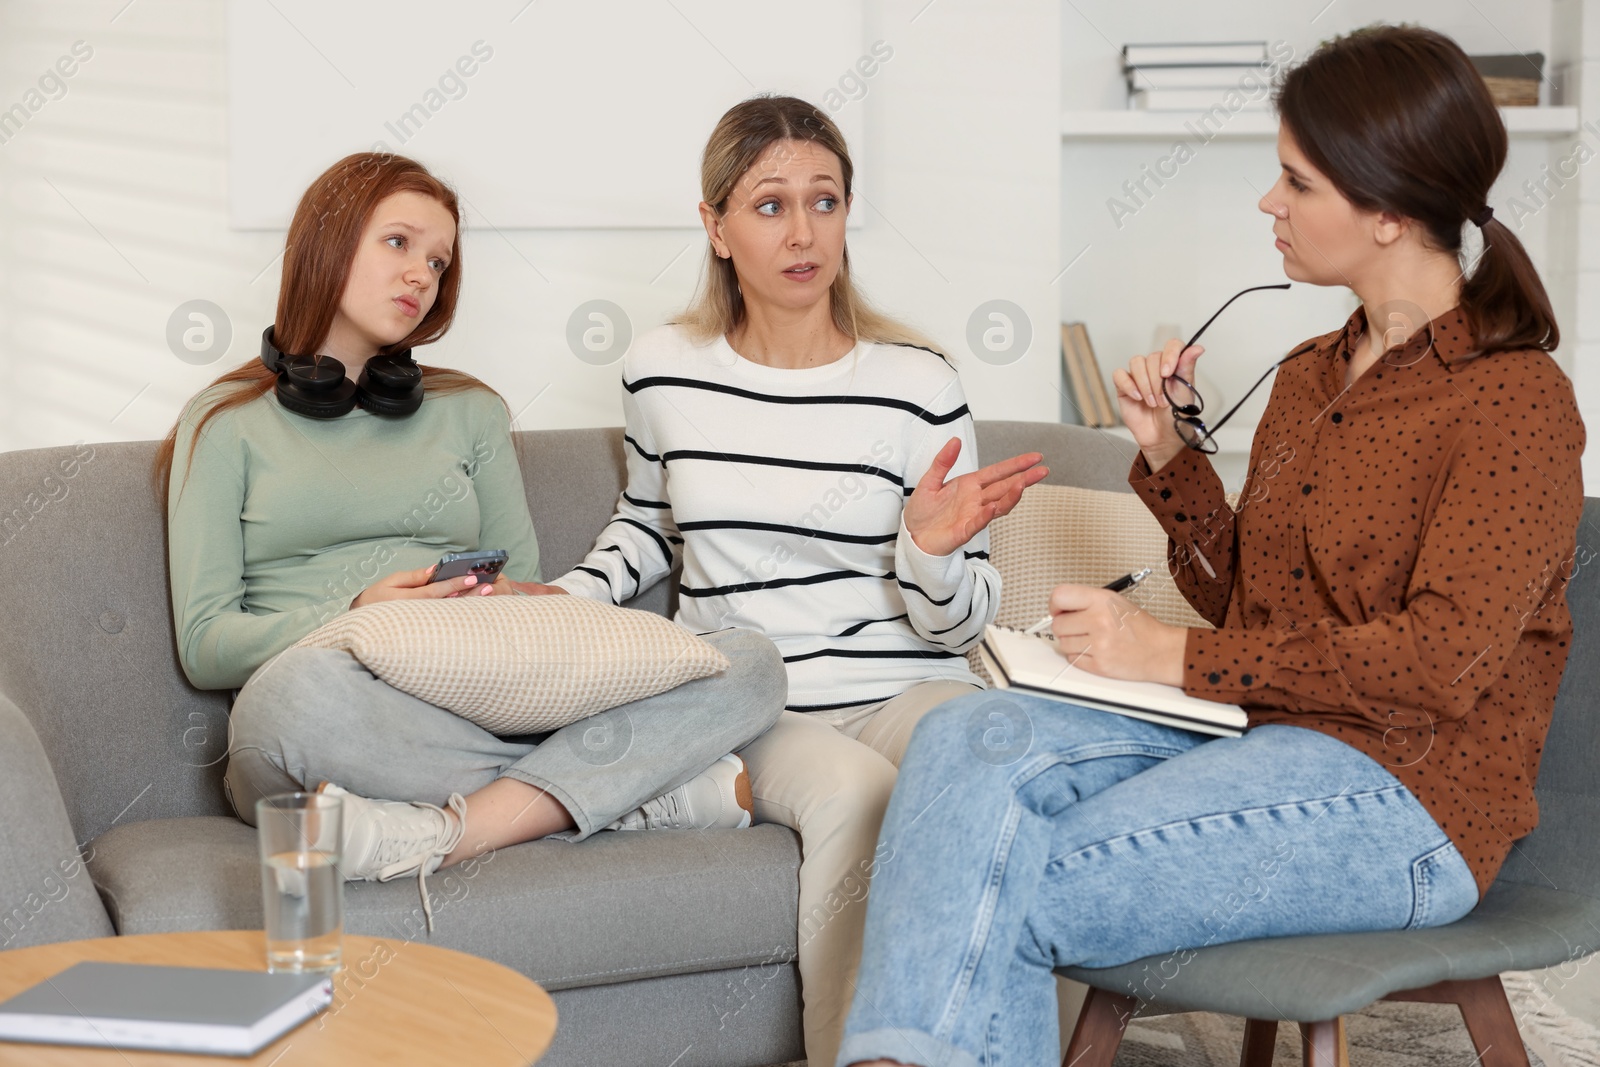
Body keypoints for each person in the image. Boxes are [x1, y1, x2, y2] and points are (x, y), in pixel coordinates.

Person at [837, 25, 1585, 1067]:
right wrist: (1167, 455)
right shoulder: (1309, 373)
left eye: (1295, 180)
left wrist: (1166, 656)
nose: (1268, 204)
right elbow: (1250, 606)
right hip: (1254, 736)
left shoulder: (1513, 400)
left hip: (1412, 803)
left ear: (1384, 209)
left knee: (991, 878)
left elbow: (1436, 666)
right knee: (964, 740)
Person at [159, 152, 787, 931]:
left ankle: (445, 832)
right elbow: (206, 642)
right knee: (283, 710)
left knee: (751, 662)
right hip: (341, 711)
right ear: (328, 242)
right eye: (399, 243)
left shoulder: (472, 414)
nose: (421, 273)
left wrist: (490, 599)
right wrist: (356, 611)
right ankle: (628, 796)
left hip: (483, 694)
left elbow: (526, 597)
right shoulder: (224, 422)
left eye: (438, 259)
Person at [548, 96, 1047, 1065]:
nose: (802, 229)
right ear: (715, 226)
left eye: (824, 200)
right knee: (858, 794)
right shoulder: (662, 371)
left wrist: (929, 552)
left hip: (909, 683)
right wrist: (553, 605)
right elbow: (647, 527)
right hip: (765, 705)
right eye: (769, 205)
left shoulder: (918, 381)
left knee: (1004, 749)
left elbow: (965, 621)